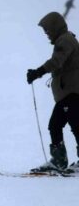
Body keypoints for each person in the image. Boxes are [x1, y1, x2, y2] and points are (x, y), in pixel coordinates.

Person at [27, 12, 79, 173]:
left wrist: (38, 72)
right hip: (69, 92)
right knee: (63, 125)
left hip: (71, 93)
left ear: (55, 27)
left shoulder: (65, 40)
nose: (47, 34)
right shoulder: (66, 39)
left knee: (61, 125)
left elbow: (57, 61)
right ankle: (59, 160)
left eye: (48, 31)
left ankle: (59, 161)